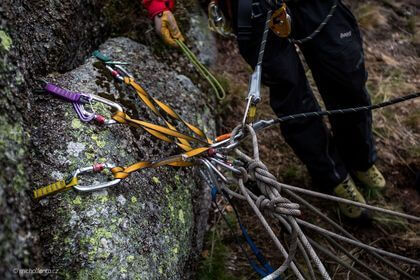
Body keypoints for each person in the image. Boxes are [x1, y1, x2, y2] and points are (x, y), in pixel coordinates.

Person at [141, 0, 386, 219]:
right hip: (251, 8)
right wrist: (159, 6)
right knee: (292, 96)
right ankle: (333, 176)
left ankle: (361, 158)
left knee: (347, 78)